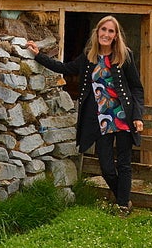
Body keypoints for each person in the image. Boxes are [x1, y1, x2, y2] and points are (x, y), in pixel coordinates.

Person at [27, 15, 145, 214]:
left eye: (111, 31)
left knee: (124, 164)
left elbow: (136, 88)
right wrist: (39, 56)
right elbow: (64, 68)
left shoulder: (125, 56)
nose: (106, 34)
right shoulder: (88, 58)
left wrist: (137, 116)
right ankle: (123, 198)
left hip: (123, 118)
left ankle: (123, 206)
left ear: (116, 36)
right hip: (101, 122)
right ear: (97, 32)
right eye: (103, 30)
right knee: (107, 167)